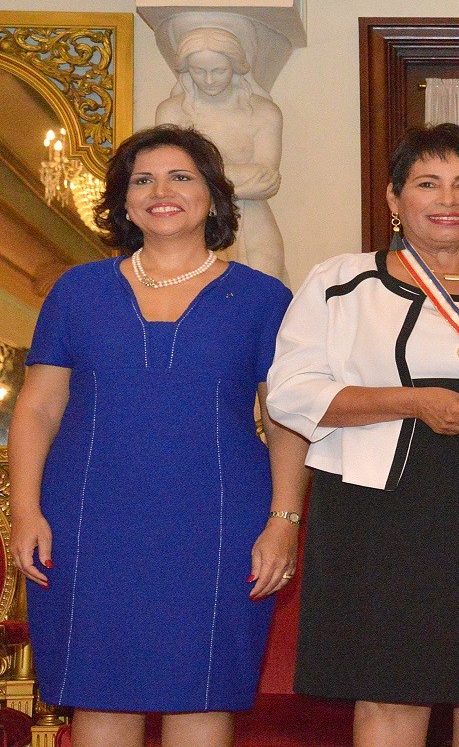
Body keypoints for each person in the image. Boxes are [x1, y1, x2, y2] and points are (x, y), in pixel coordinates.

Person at [265, 122, 459, 747]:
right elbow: (291, 394)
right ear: (393, 200)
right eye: (428, 184)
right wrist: (414, 404)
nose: (448, 199)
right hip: (381, 511)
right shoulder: (341, 283)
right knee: (390, 693)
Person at [8, 124, 307, 747]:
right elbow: (36, 411)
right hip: (87, 521)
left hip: (220, 524)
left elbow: (286, 419)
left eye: (181, 177)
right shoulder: (77, 292)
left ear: (213, 199)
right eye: (142, 179)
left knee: (202, 697)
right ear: (122, 201)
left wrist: (283, 520)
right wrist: (26, 511)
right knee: (100, 698)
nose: (160, 191)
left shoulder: (264, 299)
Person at [157, 26, 288, 283]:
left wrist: (201, 176)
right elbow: (170, 173)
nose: (208, 80)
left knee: (263, 291)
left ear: (235, 67)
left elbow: (266, 180)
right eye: (199, 71)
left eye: (218, 70)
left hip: (250, 219)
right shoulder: (171, 112)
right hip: (192, 218)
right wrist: (237, 178)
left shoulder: (264, 112)